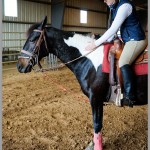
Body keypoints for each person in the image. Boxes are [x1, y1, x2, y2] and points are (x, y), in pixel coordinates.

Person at [85, 0, 147, 108]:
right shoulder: (114, 8)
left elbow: (113, 29)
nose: (104, 1)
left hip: (136, 40)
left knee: (123, 62)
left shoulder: (124, 6)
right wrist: (101, 42)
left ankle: (129, 96)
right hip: (126, 40)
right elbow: (112, 32)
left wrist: (95, 44)